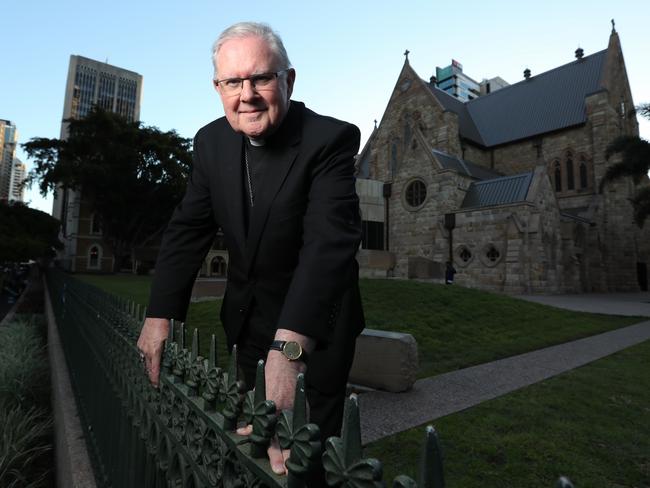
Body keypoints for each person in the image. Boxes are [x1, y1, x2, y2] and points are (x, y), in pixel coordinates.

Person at [136, 21, 364, 478]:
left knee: (302, 460)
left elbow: (328, 245)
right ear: (217, 87)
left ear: (288, 80)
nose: (247, 94)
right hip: (246, 322)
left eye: (261, 78)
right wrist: (160, 313)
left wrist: (290, 350)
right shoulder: (210, 142)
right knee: (253, 447)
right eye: (232, 82)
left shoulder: (330, 140)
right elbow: (188, 229)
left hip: (314, 327)